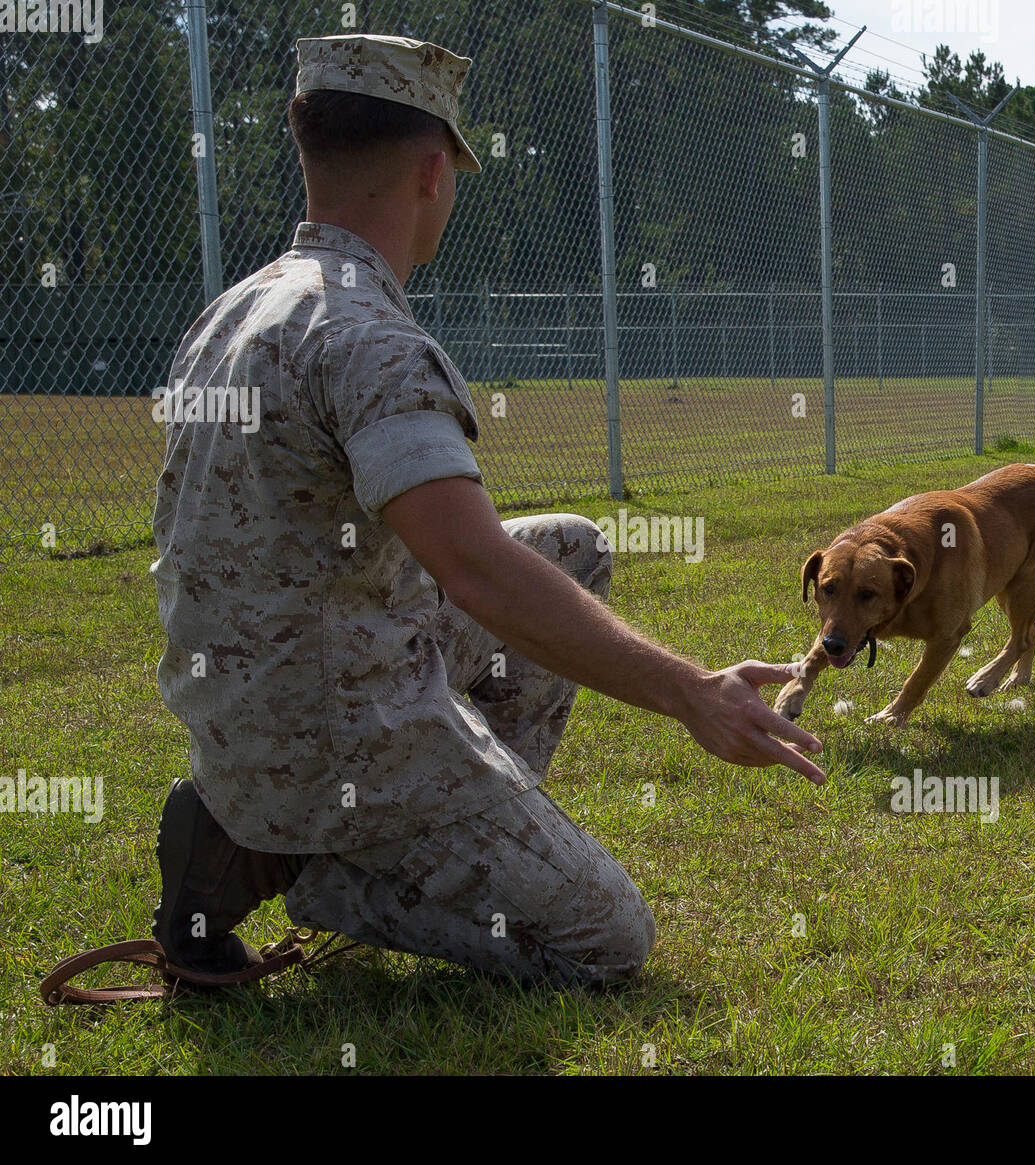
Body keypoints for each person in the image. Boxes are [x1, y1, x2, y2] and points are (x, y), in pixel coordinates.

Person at [149, 33, 824, 989]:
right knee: (606, 942)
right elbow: (474, 569)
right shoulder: (368, 338)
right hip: (336, 732)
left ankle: (396, 829)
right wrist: (691, 691)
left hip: (255, 703)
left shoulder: (233, 311)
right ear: (433, 173)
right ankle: (319, 867)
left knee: (573, 548)